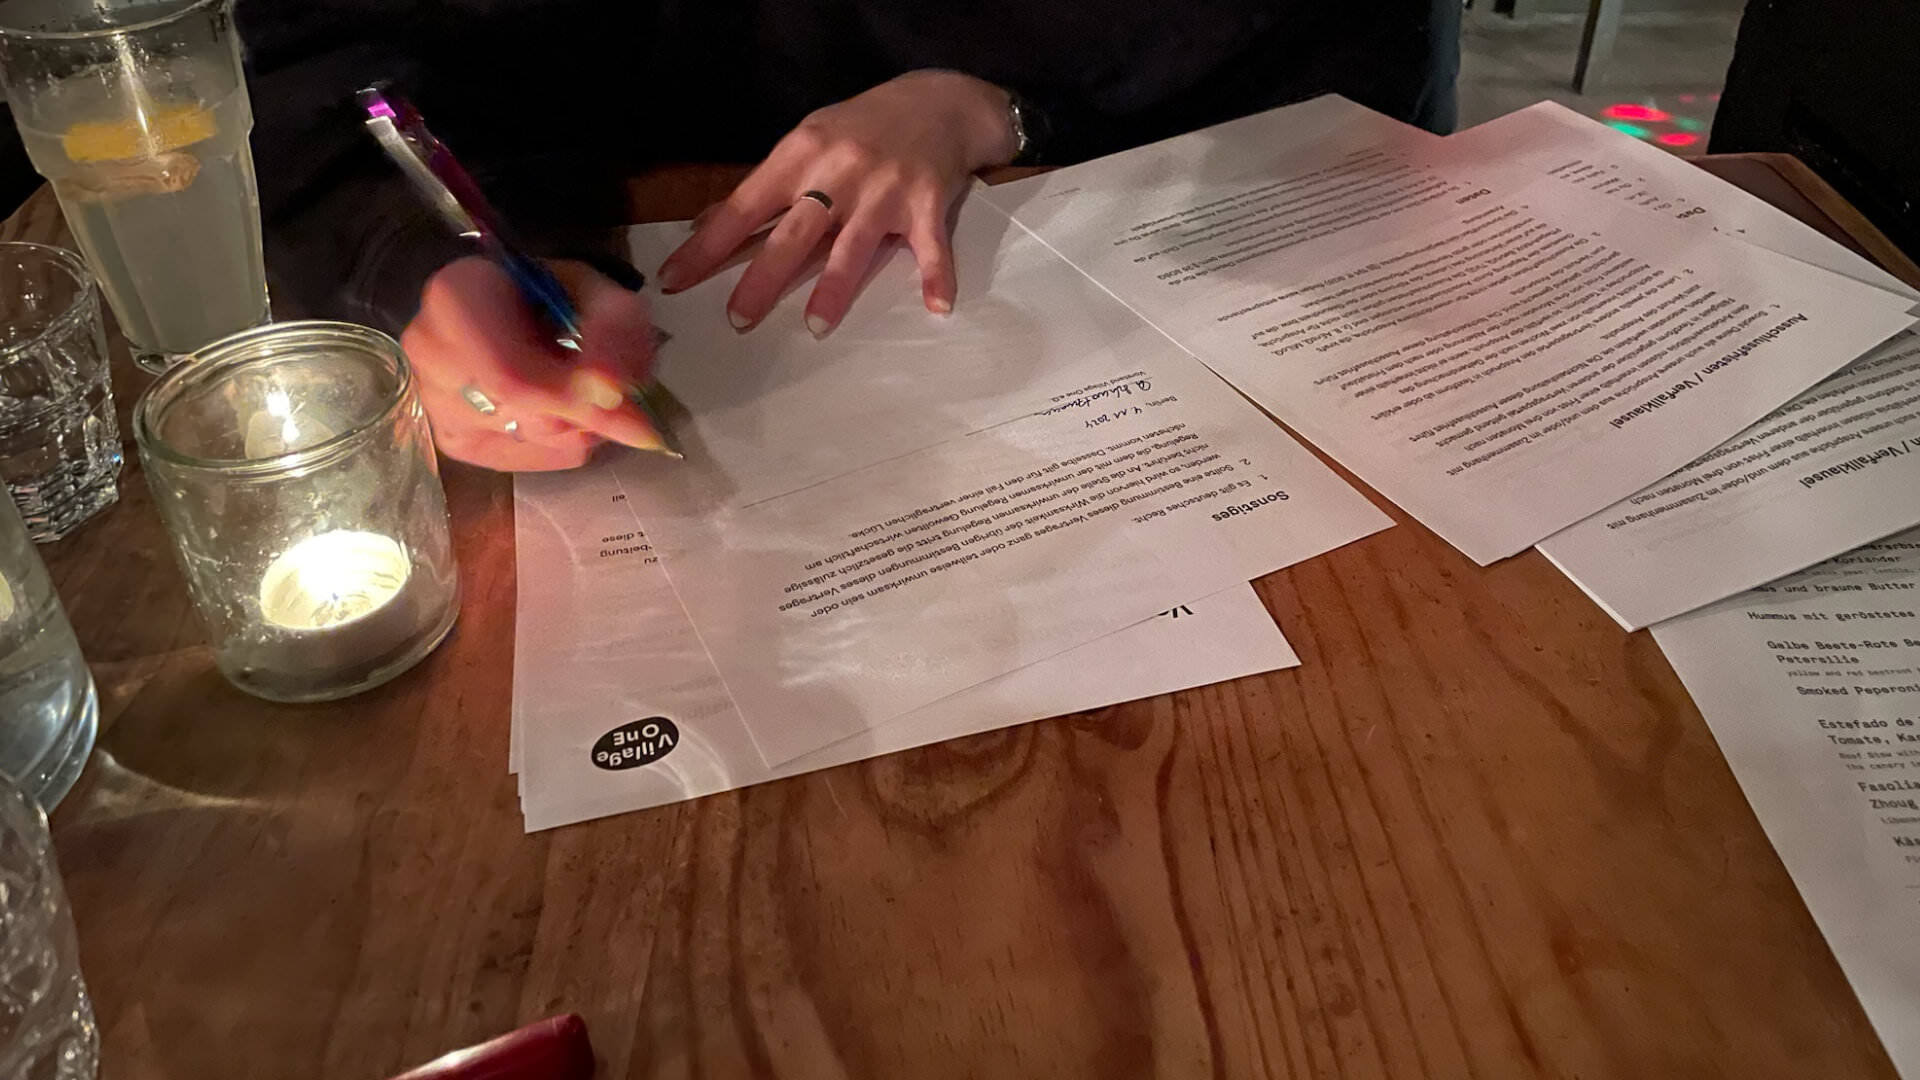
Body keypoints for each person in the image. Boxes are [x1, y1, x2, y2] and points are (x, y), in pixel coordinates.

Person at [243, 0, 1461, 472]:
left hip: (1196, 251)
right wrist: (428, 255)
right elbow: (336, 66)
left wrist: (993, 103)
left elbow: (1329, 68)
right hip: (693, 273)